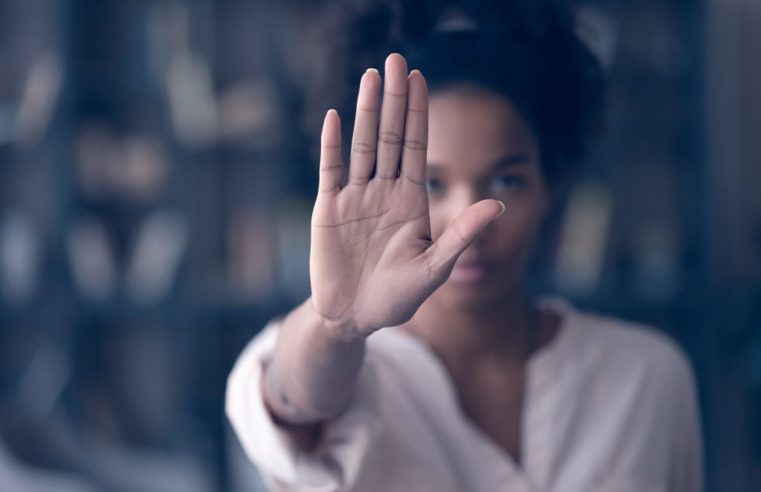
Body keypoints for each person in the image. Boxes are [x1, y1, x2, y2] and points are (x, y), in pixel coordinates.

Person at [226, 1, 703, 491]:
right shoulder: (331, 355)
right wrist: (336, 325)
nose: (468, 223)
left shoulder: (647, 378)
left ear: (551, 185)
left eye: (506, 180)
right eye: (431, 185)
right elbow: (296, 397)